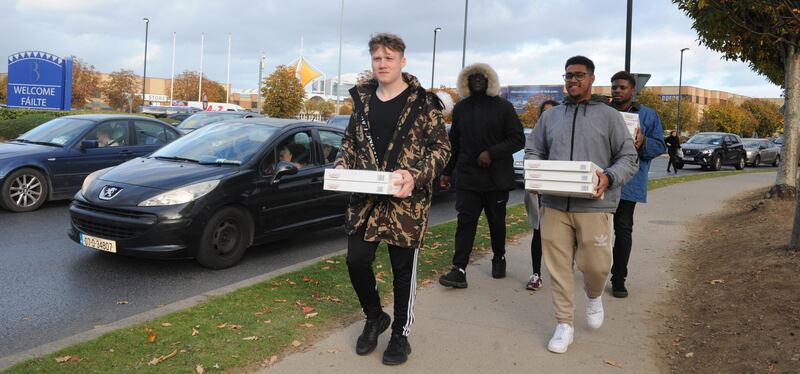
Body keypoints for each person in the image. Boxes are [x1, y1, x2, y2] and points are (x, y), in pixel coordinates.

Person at [333, 32, 450, 366]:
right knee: (356, 261)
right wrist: (343, 164)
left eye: (389, 57)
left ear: (403, 61)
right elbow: (350, 144)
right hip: (365, 201)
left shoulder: (425, 103)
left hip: (406, 203)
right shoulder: (362, 102)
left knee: (402, 272)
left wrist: (415, 175)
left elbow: (442, 149)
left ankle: (400, 334)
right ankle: (375, 317)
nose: (382, 64)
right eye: (377, 58)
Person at [525, 56, 638, 354]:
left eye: (578, 75)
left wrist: (609, 177)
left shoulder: (609, 116)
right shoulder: (550, 117)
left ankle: (593, 294)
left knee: (597, 266)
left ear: (591, 78)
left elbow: (629, 158)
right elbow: (533, 149)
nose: (572, 80)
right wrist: (536, 171)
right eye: (568, 76)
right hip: (554, 204)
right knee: (559, 268)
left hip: (595, 205)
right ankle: (564, 324)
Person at [437, 63, 524, 288]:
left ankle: (499, 256)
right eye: (472, 77)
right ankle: (459, 269)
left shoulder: (504, 107)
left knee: (496, 222)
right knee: (465, 222)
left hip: (496, 178)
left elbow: (518, 139)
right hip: (467, 177)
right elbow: (454, 144)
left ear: (489, 81)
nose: (476, 80)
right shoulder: (461, 109)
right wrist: (447, 172)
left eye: (481, 77)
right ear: (465, 82)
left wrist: (491, 153)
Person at [608, 71, 667, 298]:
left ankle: (619, 278)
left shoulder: (648, 115)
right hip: (601, 178)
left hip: (629, 182)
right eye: (614, 87)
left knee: (623, 229)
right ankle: (595, 270)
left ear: (633, 90)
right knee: (596, 231)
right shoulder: (602, 112)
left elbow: (660, 145)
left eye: (622, 87)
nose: (617, 91)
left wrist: (643, 143)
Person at [524, 99, 559, 291]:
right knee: (538, 231)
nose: (548, 116)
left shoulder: (564, 134)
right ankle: (536, 273)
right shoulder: (535, 136)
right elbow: (530, 155)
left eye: (552, 112)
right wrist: (534, 179)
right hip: (539, 189)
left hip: (560, 190)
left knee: (562, 234)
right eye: (544, 113)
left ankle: (562, 271)